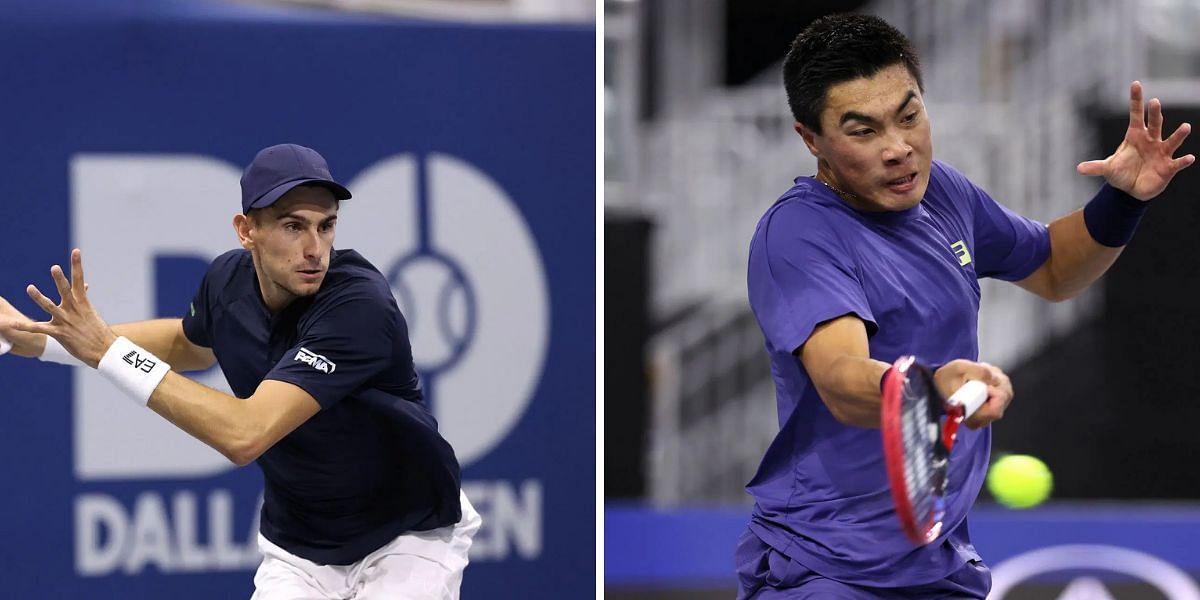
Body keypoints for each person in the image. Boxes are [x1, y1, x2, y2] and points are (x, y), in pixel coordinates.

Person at [738, 14, 1192, 599]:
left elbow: (1053, 267)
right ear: (811, 140)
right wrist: (927, 387)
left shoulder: (943, 193)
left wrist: (1123, 200)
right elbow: (840, 378)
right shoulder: (798, 235)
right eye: (863, 131)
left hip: (938, 562)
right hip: (828, 569)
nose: (899, 149)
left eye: (910, 116)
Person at [0, 143, 481, 599]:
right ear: (246, 230)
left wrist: (107, 351)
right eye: (293, 226)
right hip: (300, 545)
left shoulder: (359, 308)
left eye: (326, 226)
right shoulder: (227, 281)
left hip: (408, 534)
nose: (315, 248)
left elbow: (245, 434)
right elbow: (187, 344)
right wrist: (39, 337)